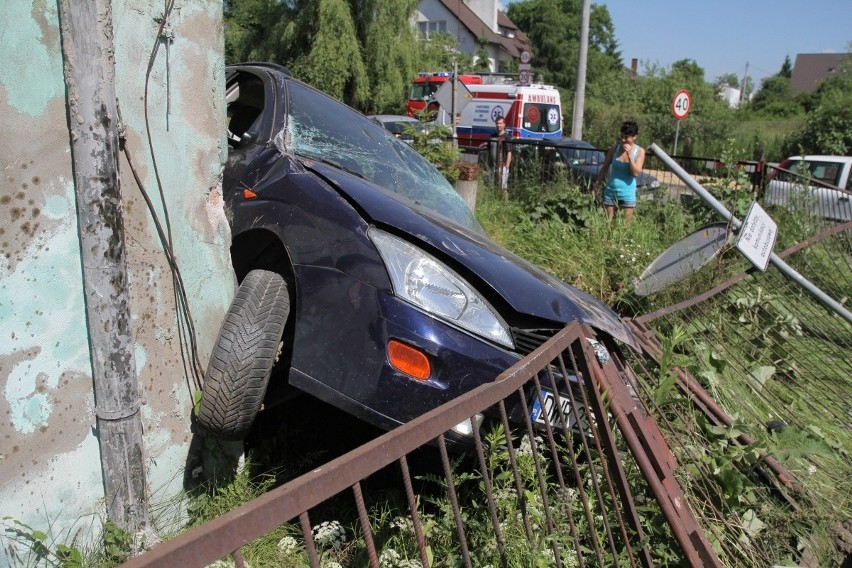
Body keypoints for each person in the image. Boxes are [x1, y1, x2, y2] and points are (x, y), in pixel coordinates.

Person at [596, 120, 645, 222]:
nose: (623, 140)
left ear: (634, 137)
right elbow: (604, 167)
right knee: (608, 225)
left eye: (626, 137)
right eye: (621, 136)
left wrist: (630, 156)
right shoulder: (615, 149)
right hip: (610, 192)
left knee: (624, 228)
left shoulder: (639, 151)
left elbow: (635, 172)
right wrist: (596, 184)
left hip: (627, 194)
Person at [494, 116, 512, 194]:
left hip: (503, 166)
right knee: (495, 186)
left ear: (504, 125)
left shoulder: (507, 137)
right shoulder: (493, 137)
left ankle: (505, 203)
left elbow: (509, 152)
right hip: (494, 165)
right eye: (497, 123)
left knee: (503, 187)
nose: (499, 125)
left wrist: (507, 166)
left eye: (500, 123)